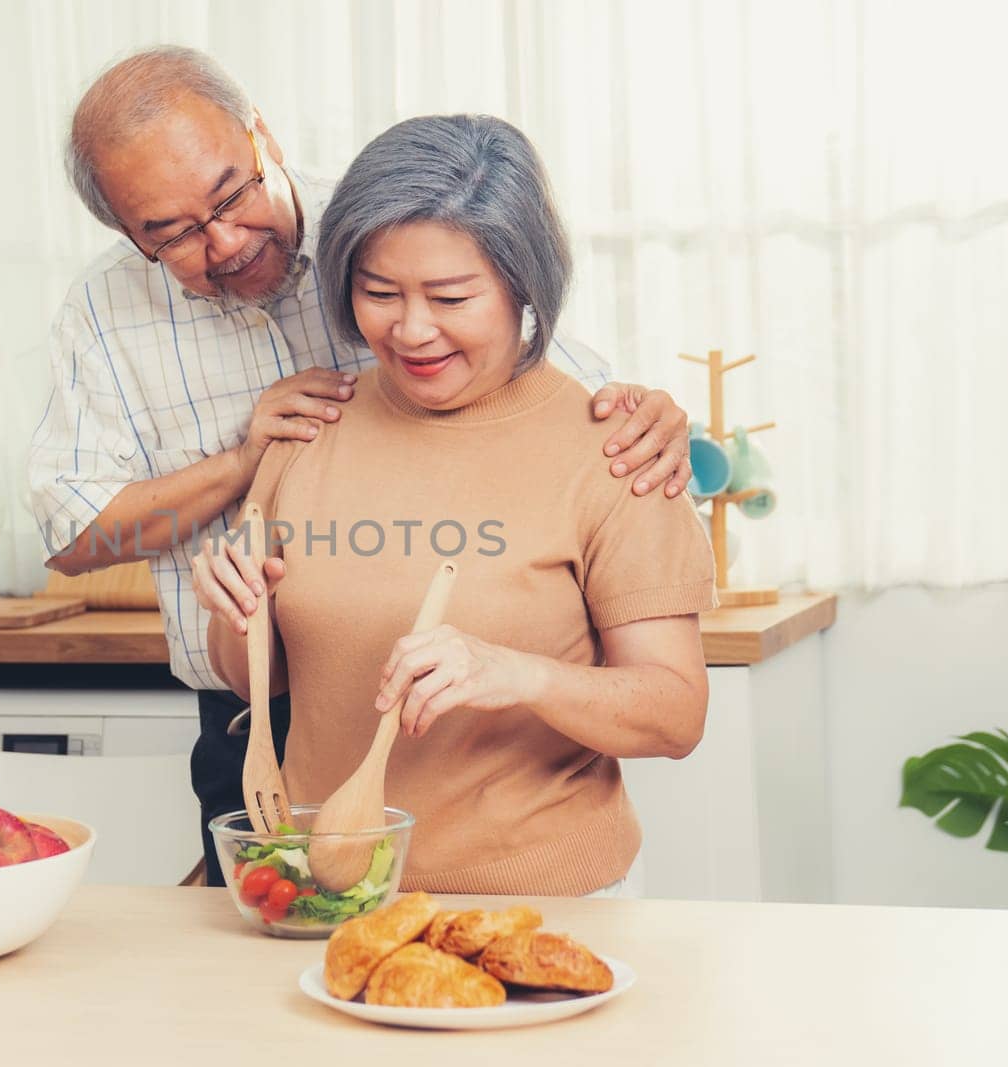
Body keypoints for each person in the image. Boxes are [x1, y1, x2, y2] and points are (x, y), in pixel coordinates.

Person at [28, 46, 696, 887]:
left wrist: (658, 423)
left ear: (259, 136)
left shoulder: (398, 215)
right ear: (129, 233)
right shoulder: (107, 315)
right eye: (173, 235)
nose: (226, 240)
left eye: (232, 196)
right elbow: (77, 539)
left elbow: (553, 387)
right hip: (255, 728)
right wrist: (242, 466)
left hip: (521, 845)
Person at [196, 113, 716, 897]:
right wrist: (240, 610)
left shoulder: (616, 448)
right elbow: (250, 683)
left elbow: (675, 713)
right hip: (326, 889)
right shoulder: (310, 428)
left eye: (450, 296)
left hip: (541, 901)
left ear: (522, 287)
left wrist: (519, 675)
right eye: (378, 292)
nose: (410, 329)